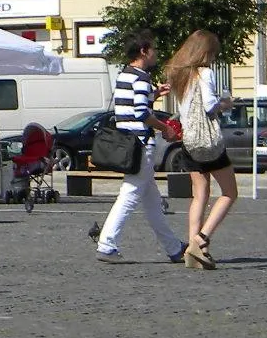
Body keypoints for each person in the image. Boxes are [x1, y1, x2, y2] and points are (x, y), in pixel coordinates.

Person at [92, 31, 186, 263]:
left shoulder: (125, 75)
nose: (156, 53)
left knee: (152, 202)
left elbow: (130, 106)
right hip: (142, 144)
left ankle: (174, 248)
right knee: (130, 195)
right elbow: (142, 113)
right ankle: (107, 244)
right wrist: (165, 128)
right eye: (153, 49)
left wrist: (154, 94)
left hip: (129, 143)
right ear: (144, 51)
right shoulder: (142, 77)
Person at [160, 31, 232, 268]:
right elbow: (210, 106)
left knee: (200, 194)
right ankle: (201, 239)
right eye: (213, 53)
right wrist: (226, 103)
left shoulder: (181, 75)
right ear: (205, 52)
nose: (214, 58)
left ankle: (194, 249)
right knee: (230, 192)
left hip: (189, 140)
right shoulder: (205, 73)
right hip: (208, 141)